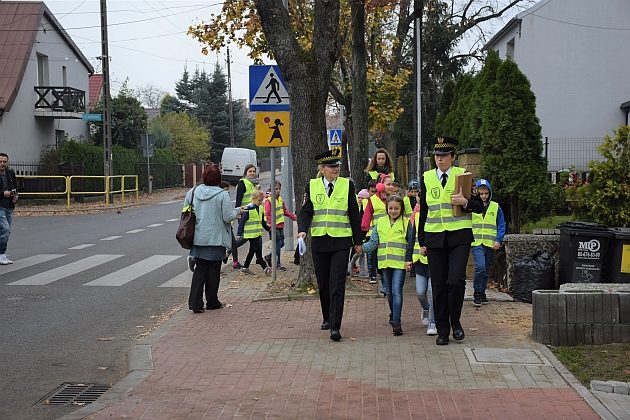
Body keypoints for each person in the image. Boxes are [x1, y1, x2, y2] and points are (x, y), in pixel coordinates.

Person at [416, 136, 484, 345]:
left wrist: (465, 202)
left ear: (453, 157)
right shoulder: (427, 178)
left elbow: (479, 206)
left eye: (444, 155)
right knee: (438, 285)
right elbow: (425, 211)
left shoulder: (462, 175)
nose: (440, 159)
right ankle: (443, 330)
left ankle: (456, 322)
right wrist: (422, 241)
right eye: (437, 155)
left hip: (459, 236)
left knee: (455, 280)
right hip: (435, 237)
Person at [297, 150, 363, 342]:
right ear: (322, 169)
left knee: (337, 283)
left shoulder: (346, 185)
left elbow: (353, 213)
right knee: (323, 283)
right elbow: (306, 211)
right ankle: (327, 317)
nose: (336, 169)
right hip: (320, 241)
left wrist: (358, 242)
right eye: (332, 166)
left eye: (337, 166)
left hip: (341, 241)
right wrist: (302, 230)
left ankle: (335, 326)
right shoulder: (312, 185)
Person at [183, 164, 245, 313]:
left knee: (200, 271)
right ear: (219, 178)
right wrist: (238, 210)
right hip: (216, 239)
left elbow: (186, 210)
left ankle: (195, 303)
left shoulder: (193, 192)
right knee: (213, 271)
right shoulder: (222, 195)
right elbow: (227, 217)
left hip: (198, 237)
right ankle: (212, 301)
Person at [362, 195, 413, 336]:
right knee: (389, 292)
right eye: (390, 208)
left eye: (396, 208)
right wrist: (361, 247)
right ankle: (393, 314)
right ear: (387, 208)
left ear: (401, 208)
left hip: (399, 263)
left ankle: (397, 322)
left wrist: (409, 260)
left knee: (397, 290)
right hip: (385, 263)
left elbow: (410, 243)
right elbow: (373, 242)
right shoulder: (380, 222)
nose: (393, 211)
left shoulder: (406, 223)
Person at [471, 179, 506, 306]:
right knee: (480, 266)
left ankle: (482, 292)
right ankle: (477, 292)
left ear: (489, 193)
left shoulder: (496, 207)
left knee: (485, 269)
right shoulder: (472, 206)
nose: (484, 196)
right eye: (481, 194)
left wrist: (499, 240)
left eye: (486, 193)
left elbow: (501, 224)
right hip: (476, 242)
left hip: (490, 243)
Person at [407, 210, 437, 336]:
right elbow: (412, 239)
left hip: (435, 261)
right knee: (420, 292)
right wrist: (408, 258)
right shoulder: (418, 216)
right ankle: (425, 308)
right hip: (420, 261)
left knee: (431, 292)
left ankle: (433, 322)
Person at [361, 176, 394, 285]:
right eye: (389, 184)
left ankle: (385, 276)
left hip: (391, 233)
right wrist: (363, 233)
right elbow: (367, 217)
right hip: (375, 233)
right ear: (380, 186)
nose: (391, 186)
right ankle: (374, 275)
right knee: (373, 256)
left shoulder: (394, 198)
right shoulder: (373, 199)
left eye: (392, 184)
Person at [230, 164, 259, 270]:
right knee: (247, 237)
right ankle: (230, 250)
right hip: (244, 214)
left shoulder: (253, 184)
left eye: (253, 171)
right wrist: (238, 213)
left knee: (251, 238)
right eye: (250, 171)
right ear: (245, 172)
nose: (252, 173)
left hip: (253, 215)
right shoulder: (242, 183)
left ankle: (244, 262)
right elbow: (238, 199)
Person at [237, 190, 272, 276]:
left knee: (252, 251)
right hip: (251, 234)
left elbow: (262, 221)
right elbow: (242, 222)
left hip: (257, 234)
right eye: (259, 200)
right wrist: (239, 233)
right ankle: (265, 268)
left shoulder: (260, 208)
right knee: (258, 253)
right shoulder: (249, 208)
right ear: (253, 199)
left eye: (261, 200)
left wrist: (268, 229)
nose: (261, 202)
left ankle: (245, 267)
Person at [264, 181, 296, 271]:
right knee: (277, 244)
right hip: (273, 226)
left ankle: (269, 256)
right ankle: (277, 263)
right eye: (276, 189)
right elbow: (267, 213)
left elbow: (284, 211)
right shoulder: (269, 200)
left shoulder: (280, 199)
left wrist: (293, 217)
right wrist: (271, 224)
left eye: (279, 189)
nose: (278, 191)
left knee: (282, 243)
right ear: (271, 189)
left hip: (280, 225)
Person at [0, 153, 18, 265]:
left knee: (6, 231)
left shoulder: (10, 173)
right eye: (0, 161)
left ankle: (2, 254)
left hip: (9, 206)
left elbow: (15, 187)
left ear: (8, 162)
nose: (2, 164)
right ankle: (2, 254)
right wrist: (3, 193)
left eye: (4, 161)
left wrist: (16, 196)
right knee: (5, 229)